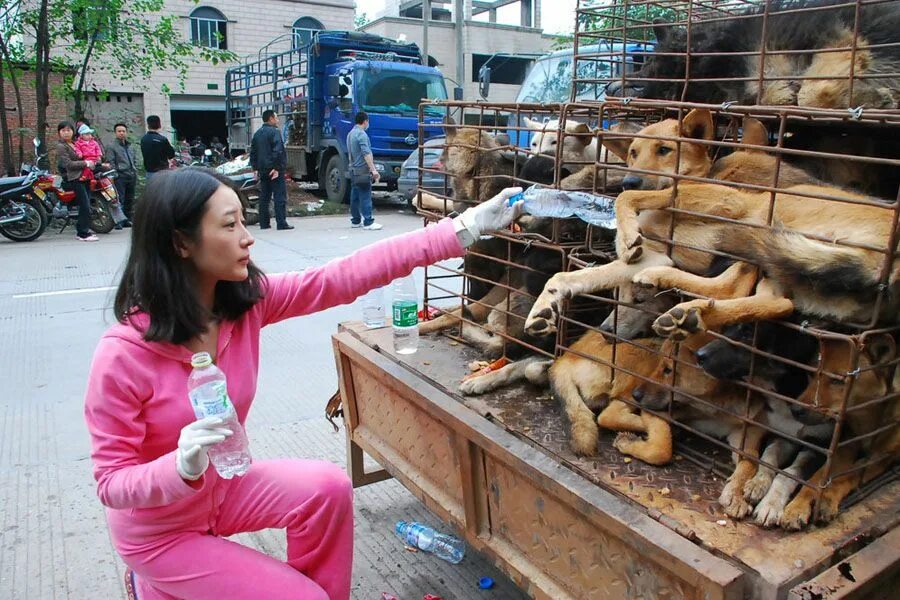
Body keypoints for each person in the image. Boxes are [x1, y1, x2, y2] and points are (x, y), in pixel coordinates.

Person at [83, 166, 523, 599]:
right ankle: (151, 585)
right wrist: (177, 468)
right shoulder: (123, 354)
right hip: (160, 531)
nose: (247, 237)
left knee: (328, 489)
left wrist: (465, 227)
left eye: (244, 219)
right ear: (181, 242)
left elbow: (342, 276)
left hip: (223, 488)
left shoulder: (244, 305)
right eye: (230, 224)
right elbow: (111, 483)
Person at [249, 109, 292, 230]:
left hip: (262, 170)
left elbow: (253, 152)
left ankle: (264, 223)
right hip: (274, 170)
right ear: (271, 119)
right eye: (276, 117)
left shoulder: (257, 133)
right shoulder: (274, 132)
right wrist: (277, 168)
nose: (277, 120)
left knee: (264, 197)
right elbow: (278, 151)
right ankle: (281, 223)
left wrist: (255, 168)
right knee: (279, 196)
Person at [56, 121, 98, 242]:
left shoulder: (76, 143)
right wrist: (85, 163)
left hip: (86, 176)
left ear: (73, 132)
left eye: (68, 130)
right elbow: (68, 164)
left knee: (87, 204)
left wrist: (93, 161)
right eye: (63, 130)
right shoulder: (61, 146)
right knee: (84, 205)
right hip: (74, 177)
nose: (66, 133)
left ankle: (84, 229)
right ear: (59, 133)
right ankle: (82, 233)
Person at [347, 111, 381, 230]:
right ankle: (368, 221)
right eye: (368, 122)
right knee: (365, 195)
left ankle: (355, 220)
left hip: (353, 169)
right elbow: (366, 153)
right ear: (365, 121)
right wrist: (373, 170)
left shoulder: (350, 134)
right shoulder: (361, 135)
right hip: (362, 169)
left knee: (355, 196)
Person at [107, 123, 137, 226]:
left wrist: (134, 169)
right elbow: (110, 161)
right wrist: (115, 173)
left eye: (123, 131)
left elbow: (134, 159)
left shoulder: (130, 146)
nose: (122, 133)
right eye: (119, 131)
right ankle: (118, 221)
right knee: (120, 198)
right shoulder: (111, 146)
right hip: (120, 175)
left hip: (131, 174)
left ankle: (127, 219)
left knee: (130, 198)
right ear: (115, 133)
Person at [141, 115, 176, 179]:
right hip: (162, 172)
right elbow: (171, 154)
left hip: (149, 172)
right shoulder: (162, 139)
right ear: (159, 125)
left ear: (148, 125)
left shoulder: (143, 139)